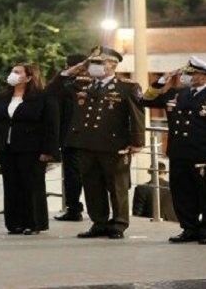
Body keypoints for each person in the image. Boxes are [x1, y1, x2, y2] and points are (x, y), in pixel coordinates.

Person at [141, 56, 206, 245]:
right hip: (179, 152)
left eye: (189, 73)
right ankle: (189, 228)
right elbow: (146, 99)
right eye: (185, 72)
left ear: (203, 76)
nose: (184, 76)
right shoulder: (177, 94)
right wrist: (161, 81)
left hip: (205, 155)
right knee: (182, 193)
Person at [52, 46, 145, 240]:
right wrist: (76, 68)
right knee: (92, 185)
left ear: (113, 65)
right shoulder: (83, 84)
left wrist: (137, 142)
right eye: (92, 63)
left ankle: (119, 223)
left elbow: (136, 116)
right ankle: (99, 222)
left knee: (116, 186)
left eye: (99, 63)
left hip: (113, 144)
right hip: (86, 142)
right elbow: (53, 89)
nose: (94, 67)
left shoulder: (126, 87)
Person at [0, 63, 59, 235]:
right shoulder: (3, 97)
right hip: (7, 148)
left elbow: (51, 126)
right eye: (12, 71)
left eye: (17, 72)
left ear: (29, 77)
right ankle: (14, 223)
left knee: (32, 185)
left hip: (32, 149)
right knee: (11, 185)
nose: (12, 74)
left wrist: (49, 151)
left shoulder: (43, 98)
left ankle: (34, 223)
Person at [48, 53, 88, 222]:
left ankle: (93, 211)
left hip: (90, 138)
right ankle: (73, 208)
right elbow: (49, 92)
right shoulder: (66, 84)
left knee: (87, 176)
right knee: (72, 177)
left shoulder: (91, 83)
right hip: (71, 138)